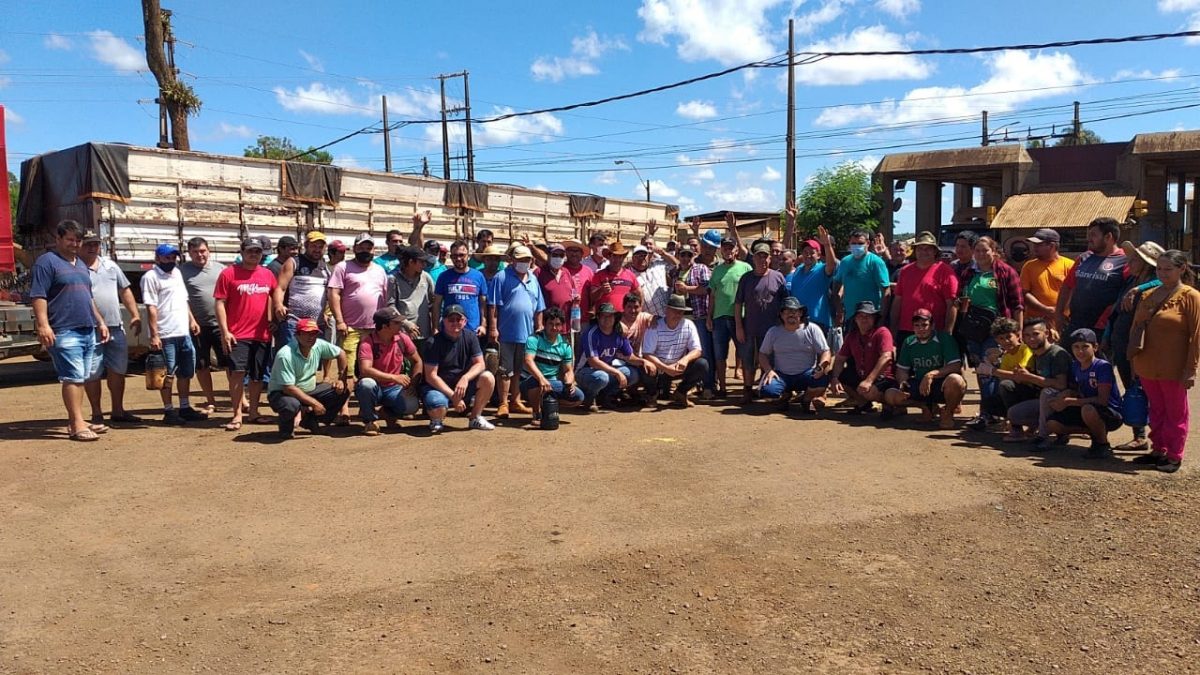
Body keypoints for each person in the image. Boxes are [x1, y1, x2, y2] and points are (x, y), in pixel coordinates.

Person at [31, 220, 111, 441]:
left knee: (82, 377)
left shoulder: (81, 264)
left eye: (77, 240)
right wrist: (43, 325)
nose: (75, 244)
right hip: (64, 329)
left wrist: (100, 322)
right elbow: (38, 295)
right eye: (70, 239)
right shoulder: (47, 262)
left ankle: (78, 420)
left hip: (87, 328)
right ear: (58, 239)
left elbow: (88, 297)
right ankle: (77, 425)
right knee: (72, 377)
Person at [1129, 250, 1200, 473]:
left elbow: (1197, 335)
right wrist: (1133, 359)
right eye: (1159, 268)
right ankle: (1158, 449)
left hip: (1174, 366)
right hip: (1148, 364)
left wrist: (1191, 368)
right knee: (1157, 410)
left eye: (1168, 269)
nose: (1162, 273)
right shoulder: (1150, 294)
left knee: (1176, 412)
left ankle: (1174, 454)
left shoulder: (1191, 296)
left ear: (1181, 269)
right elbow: (1136, 327)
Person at [214, 237, 278, 431]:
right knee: (237, 374)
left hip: (262, 334)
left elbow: (276, 296)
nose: (253, 254)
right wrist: (225, 331)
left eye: (257, 251)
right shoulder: (228, 274)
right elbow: (220, 303)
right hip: (237, 334)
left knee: (257, 377)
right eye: (250, 251)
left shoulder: (267, 275)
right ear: (242, 253)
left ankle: (254, 413)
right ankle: (236, 415)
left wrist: (274, 319)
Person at [1104, 241, 1163, 451]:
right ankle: (1139, 433)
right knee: (1131, 387)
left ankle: (1143, 436)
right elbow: (1116, 312)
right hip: (1121, 341)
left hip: (1138, 345)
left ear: (1147, 264)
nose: (1130, 261)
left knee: (1140, 388)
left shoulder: (1154, 284)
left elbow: (1161, 284)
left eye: (1135, 258)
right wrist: (1108, 336)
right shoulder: (1131, 280)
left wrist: (1140, 287)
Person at [81, 230, 142, 425]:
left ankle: (118, 410)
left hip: (115, 327)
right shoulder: (77, 268)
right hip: (90, 329)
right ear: (81, 245)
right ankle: (96, 413)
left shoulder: (110, 266)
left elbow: (125, 290)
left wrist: (135, 315)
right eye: (88, 244)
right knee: (93, 372)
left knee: (118, 370)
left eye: (95, 244)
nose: (92, 248)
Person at [141, 243, 206, 425]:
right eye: (167, 257)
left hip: (182, 331)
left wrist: (191, 320)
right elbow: (151, 307)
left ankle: (184, 406)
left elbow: (183, 299)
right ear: (158, 258)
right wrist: (155, 335)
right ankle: (168, 410)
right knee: (167, 374)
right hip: (165, 333)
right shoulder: (151, 277)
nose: (170, 260)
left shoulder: (177, 273)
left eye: (173, 257)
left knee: (186, 371)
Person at [329, 232, 389, 420]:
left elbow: (384, 298)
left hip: (374, 330)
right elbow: (334, 294)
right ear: (355, 248)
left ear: (373, 249)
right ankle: (343, 409)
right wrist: (339, 320)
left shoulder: (380, 270)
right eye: (361, 247)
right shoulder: (343, 267)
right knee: (346, 370)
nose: (365, 250)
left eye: (368, 247)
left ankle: (366, 407)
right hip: (351, 327)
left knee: (369, 370)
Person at [1045, 328, 1124, 459]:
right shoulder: (1075, 366)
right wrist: (1065, 394)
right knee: (1052, 424)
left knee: (1088, 410)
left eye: (1085, 347)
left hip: (1109, 412)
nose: (1080, 351)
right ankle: (1095, 433)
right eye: (1076, 347)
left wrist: (1070, 402)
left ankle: (1103, 445)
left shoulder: (1102, 366)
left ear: (1095, 347)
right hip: (1085, 407)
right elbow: (1077, 389)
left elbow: (1102, 400)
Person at [266, 317, 350, 439]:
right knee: (291, 405)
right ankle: (286, 428)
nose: (311, 337)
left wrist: (341, 378)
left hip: (309, 390)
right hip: (282, 394)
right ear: (297, 335)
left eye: (314, 333)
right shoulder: (285, 355)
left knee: (343, 390)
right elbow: (288, 388)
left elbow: (340, 353)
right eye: (306, 333)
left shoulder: (318, 344)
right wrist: (315, 403)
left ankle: (310, 420)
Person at [885, 308, 966, 429]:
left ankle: (948, 413)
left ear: (932, 325)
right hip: (920, 385)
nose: (921, 329)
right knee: (890, 395)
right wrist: (903, 383)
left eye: (924, 325)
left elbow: (955, 365)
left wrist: (931, 374)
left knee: (956, 381)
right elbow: (902, 369)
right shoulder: (909, 342)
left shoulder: (944, 338)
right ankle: (927, 408)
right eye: (916, 325)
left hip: (941, 384)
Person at [489, 245, 546, 418]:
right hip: (506, 332)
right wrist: (493, 327)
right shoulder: (501, 277)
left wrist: (539, 325)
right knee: (505, 369)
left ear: (531, 261)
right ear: (512, 260)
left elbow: (539, 306)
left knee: (519, 370)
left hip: (527, 333)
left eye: (526, 260)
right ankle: (503, 403)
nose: (523, 263)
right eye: (520, 259)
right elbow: (493, 305)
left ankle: (516, 401)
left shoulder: (533, 280)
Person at [421, 304, 497, 433]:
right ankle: (436, 420)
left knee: (488, 377)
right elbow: (431, 376)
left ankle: (475, 417)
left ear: (465, 321)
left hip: (462, 386)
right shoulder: (433, 342)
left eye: (459, 319)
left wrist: (465, 378)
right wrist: (453, 396)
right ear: (443, 321)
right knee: (437, 406)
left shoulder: (471, 337)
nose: (455, 323)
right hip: (439, 387)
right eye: (451, 320)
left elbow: (480, 364)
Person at [1003, 319, 1073, 447]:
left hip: (1064, 400)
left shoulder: (1057, 354)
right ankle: (1045, 429)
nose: (1031, 339)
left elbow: (1061, 385)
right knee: (1014, 413)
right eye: (1027, 335)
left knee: (1047, 393)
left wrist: (1030, 377)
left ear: (1046, 333)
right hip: (1044, 400)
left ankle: (1044, 436)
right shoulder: (1035, 355)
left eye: (1035, 334)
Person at [1055, 217, 1128, 340]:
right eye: (1088, 235)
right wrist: (1059, 313)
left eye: (1093, 235)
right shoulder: (1084, 258)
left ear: (1108, 237)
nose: (1088, 239)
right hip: (1075, 325)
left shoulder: (1124, 261)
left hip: (1103, 331)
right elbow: (1067, 286)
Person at [356, 306, 423, 436]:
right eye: (396, 323)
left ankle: (386, 413)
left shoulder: (402, 339)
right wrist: (393, 377)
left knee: (412, 405)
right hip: (376, 387)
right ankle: (370, 421)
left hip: (394, 388)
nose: (401, 325)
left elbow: (417, 361)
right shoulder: (367, 343)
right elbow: (365, 370)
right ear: (385, 326)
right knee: (366, 384)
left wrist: (413, 384)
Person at [757, 297, 832, 413]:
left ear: (801, 313)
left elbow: (825, 352)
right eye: (786, 311)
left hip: (806, 374)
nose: (790, 314)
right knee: (768, 392)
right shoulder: (773, 332)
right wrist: (769, 371)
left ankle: (806, 400)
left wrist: (821, 367)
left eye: (794, 311)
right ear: (781, 314)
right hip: (781, 375)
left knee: (823, 379)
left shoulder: (812, 329)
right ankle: (784, 397)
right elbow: (762, 354)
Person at [734, 241, 787, 402]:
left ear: (770, 258)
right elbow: (738, 304)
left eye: (765, 256)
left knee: (770, 360)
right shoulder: (746, 278)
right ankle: (748, 390)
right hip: (750, 327)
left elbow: (785, 302)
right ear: (754, 258)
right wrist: (739, 327)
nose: (762, 260)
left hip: (772, 329)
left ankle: (766, 388)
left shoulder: (778, 277)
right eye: (759, 256)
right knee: (748, 360)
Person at [180, 236, 227, 413]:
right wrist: (191, 320)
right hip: (198, 326)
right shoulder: (182, 271)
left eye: (203, 251)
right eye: (195, 252)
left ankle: (241, 400)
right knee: (202, 364)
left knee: (230, 363)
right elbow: (182, 299)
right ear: (189, 253)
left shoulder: (221, 269)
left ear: (209, 251)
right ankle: (210, 400)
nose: (200, 255)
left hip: (221, 325)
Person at [520, 307, 586, 428]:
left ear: (562, 326)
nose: (554, 327)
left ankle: (549, 407)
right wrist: (541, 378)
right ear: (544, 324)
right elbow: (528, 361)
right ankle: (537, 414)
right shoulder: (534, 338)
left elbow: (568, 370)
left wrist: (569, 382)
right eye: (550, 323)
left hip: (552, 382)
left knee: (579, 397)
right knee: (536, 382)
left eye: (557, 324)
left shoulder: (565, 345)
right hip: (530, 381)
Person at [966, 318, 1032, 434]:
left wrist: (992, 370)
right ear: (997, 340)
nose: (1006, 341)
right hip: (1018, 392)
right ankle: (1008, 420)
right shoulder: (1006, 356)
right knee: (989, 402)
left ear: (1017, 335)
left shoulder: (1025, 350)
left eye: (1008, 337)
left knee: (1006, 385)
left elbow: (1020, 376)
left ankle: (1017, 428)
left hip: (1031, 391)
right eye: (1001, 338)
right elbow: (1004, 377)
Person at [641, 294, 709, 408]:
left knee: (702, 364)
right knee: (646, 367)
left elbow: (697, 350)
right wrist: (665, 368)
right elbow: (647, 354)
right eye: (675, 311)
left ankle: (681, 392)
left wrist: (685, 360)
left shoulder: (688, 325)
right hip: (659, 367)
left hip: (678, 366)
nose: (678, 314)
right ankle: (652, 394)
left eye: (681, 312)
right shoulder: (655, 326)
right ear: (666, 310)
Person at [831, 301, 897, 415]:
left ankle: (891, 405)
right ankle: (863, 404)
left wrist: (869, 380)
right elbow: (840, 358)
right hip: (862, 375)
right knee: (840, 376)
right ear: (855, 319)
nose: (864, 319)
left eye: (868, 316)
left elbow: (887, 356)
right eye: (860, 316)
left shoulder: (882, 332)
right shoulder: (851, 336)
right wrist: (835, 378)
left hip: (884, 378)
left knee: (869, 392)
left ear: (874, 318)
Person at [890, 231, 958, 342]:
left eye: (928, 248)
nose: (923, 252)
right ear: (915, 251)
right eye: (920, 248)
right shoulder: (905, 271)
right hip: (906, 331)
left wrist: (948, 332)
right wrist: (893, 329)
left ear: (935, 251)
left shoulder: (945, 271)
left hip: (933, 331)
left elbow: (952, 304)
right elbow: (898, 301)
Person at [708, 231, 752, 398]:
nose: (728, 251)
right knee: (720, 354)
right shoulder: (717, 270)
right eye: (725, 248)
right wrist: (709, 317)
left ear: (736, 250)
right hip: (719, 318)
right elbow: (712, 295)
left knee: (744, 351)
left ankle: (747, 388)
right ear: (721, 251)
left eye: (730, 248)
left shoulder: (745, 267)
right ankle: (723, 388)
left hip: (739, 317)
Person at [273, 230, 330, 355]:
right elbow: (280, 287)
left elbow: (326, 292)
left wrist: (325, 312)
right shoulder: (294, 262)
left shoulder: (324, 266)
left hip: (316, 325)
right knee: (290, 357)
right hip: (294, 322)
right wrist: (278, 305)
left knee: (311, 361)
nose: (317, 249)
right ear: (306, 246)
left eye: (321, 247)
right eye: (314, 246)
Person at [577, 302, 644, 408]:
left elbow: (629, 356)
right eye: (603, 315)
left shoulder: (618, 332)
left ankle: (605, 397)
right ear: (598, 318)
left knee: (632, 374)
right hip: (585, 372)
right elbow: (593, 362)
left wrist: (644, 362)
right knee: (602, 377)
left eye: (610, 316)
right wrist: (617, 372)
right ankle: (589, 399)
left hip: (605, 370)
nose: (607, 319)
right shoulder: (591, 333)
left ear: (614, 317)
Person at [669, 244, 714, 396]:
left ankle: (708, 385)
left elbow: (708, 289)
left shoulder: (701, 268)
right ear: (679, 255)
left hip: (699, 315)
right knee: (685, 352)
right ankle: (691, 386)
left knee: (703, 351)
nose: (686, 258)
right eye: (683, 255)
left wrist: (687, 288)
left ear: (693, 255)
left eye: (689, 255)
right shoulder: (674, 271)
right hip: (681, 316)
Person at [536, 240, 594, 342]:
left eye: (561, 255)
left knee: (569, 353)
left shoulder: (566, 272)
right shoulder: (539, 272)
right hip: (549, 325)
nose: (558, 258)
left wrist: (576, 301)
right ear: (548, 256)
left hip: (568, 324)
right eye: (555, 255)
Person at [833, 230, 891, 333]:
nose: (856, 246)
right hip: (850, 317)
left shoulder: (876, 262)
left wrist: (881, 317)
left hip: (870, 318)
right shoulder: (845, 262)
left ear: (868, 243)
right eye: (853, 243)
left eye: (860, 243)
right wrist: (839, 311)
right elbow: (837, 283)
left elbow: (886, 291)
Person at [787, 225, 838, 336]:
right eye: (805, 252)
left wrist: (827, 244)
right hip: (799, 322)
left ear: (819, 255)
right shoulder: (798, 270)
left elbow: (832, 265)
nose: (808, 255)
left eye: (812, 252)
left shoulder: (821, 269)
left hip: (818, 323)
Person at [1020, 228, 1074, 332]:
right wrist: (1045, 309)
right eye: (1034, 244)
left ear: (1052, 246)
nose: (1035, 247)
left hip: (1062, 321)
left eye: (1039, 244)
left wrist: (1059, 311)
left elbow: (1074, 291)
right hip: (1035, 323)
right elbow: (1024, 293)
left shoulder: (1070, 265)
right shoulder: (1029, 266)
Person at [433, 240, 488, 337]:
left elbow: (483, 304)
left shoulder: (478, 276)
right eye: (454, 256)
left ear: (468, 256)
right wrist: (436, 328)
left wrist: (483, 325)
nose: (458, 258)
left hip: (473, 331)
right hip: (450, 331)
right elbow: (437, 304)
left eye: (462, 255)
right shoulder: (443, 277)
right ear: (451, 257)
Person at [386, 246, 437, 349]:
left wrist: (434, 326)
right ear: (410, 262)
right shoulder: (393, 280)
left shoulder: (426, 277)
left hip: (424, 333)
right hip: (402, 333)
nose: (424, 265)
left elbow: (434, 301)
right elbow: (390, 305)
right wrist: (405, 323)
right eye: (421, 262)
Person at [585, 241, 639, 311]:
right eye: (614, 256)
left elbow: (639, 294)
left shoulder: (630, 275)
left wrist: (638, 311)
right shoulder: (599, 275)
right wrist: (601, 290)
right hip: (605, 319)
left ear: (623, 258)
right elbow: (591, 298)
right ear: (609, 257)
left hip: (624, 319)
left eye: (620, 256)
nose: (617, 259)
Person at [629, 240, 678, 317]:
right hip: (646, 319)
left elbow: (677, 265)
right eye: (638, 255)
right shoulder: (629, 274)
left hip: (666, 317)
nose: (641, 258)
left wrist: (663, 253)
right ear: (632, 258)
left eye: (644, 255)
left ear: (648, 256)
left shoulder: (658, 265)